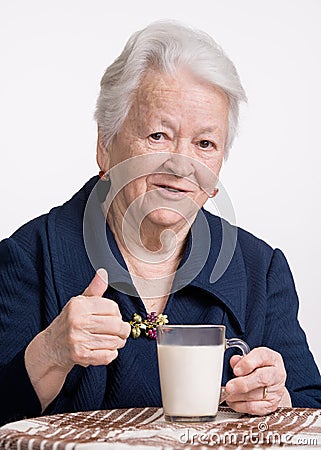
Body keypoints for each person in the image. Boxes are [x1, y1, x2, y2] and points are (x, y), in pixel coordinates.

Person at [0, 20, 320, 426]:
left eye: (205, 143)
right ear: (104, 146)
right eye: (158, 135)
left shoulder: (260, 269)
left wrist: (279, 398)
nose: (181, 164)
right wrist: (48, 354)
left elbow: (312, 411)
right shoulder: (30, 257)